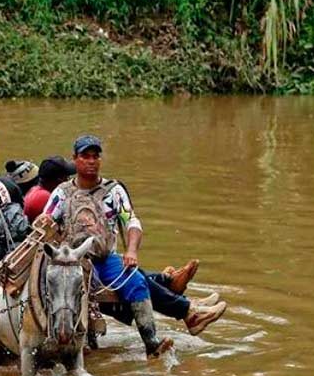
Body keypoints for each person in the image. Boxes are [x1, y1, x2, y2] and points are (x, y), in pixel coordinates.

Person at [42, 135, 225, 357]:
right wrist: (46, 225)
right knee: (89, 286)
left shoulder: (113, 190)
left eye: (95, 156)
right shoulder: (62, 193)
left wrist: (131, 250)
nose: (91, 161)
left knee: (136, 280)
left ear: (100, 160)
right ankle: (181, 301)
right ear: (75, 159)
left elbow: (131, 222)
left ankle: (152, 343)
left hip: (105, 259)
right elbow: (45, 222)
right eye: (85, 156)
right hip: (72, 261)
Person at [23, 156, 76, 222]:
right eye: (67, 177)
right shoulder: (44, 196)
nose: (69, 180)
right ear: (60, 180)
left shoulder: (35, 190)